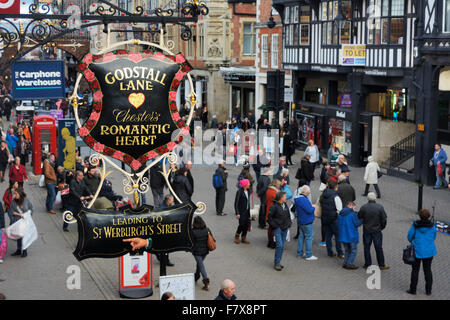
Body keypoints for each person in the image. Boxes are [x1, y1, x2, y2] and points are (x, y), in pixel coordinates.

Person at [406, 209, 437, 296]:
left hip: (417, 251)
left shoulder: (415, 225)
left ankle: (413, 290)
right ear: (428, 216)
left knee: (415, 270)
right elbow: (434, 236)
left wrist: (412, 241)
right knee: (427, 270)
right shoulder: (432, 226)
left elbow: (409, 236)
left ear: (420, 216)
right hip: (429, 251)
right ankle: (428, 291)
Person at [358, 192, 389, 270]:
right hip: (377, 231)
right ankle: (381, 264)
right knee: (378, 247)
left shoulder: (364, 207)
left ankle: (368, 264)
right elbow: (384, 220)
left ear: (368, 198)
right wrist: (381, 227)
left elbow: (359, 216)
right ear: (375, 198)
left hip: (367, 230)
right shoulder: (380, 207)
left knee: (366, 247)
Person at [319, 179, 344, 258]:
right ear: (335, 187)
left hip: (325, 217)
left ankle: (329, 252)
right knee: (337, 236)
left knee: (328, 236)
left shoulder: (323, 194)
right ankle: (339, 252)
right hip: (334, 219)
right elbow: (340, 209)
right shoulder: (336, 197)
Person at [268, 191, 291, 271]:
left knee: (281, 246)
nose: (286, 197)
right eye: (285, 196)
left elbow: (288, 215)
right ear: (281, 198)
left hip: (285, 228)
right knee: (279, 245)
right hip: (278, 229)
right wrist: (275, 226)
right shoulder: (274, 207)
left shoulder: (285, 205)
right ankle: (277, 262)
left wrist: (289, 224)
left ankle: (278, 261)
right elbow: (269, 218)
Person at [294, 185, 318, 261]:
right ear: (305, 192)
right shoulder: (303, 200)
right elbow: (309, 210)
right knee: (309, 238)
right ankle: (308, 254)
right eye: (308, 192)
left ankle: (299, 253)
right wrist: (313, 207)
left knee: (301, 237)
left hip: (300, 221)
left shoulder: (297, 199)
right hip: (307, 222)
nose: (309, 193)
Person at [337, 201, 363, 269]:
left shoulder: (341, 213)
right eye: (354, 207)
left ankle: (345, 263)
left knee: (347, 250)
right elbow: (356, 224)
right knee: (353, 250)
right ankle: (350, 263)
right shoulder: (351, 214)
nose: (354, 209)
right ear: (351, 205)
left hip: (343, 235)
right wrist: (362, 220)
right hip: (351, 235)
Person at [10, 188, 34, 258]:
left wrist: (27, 215)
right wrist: (19, 214)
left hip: (25, 221)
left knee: (24, 236)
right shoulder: (13, 202)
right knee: (18, 235)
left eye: (15, 193)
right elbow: (12, 211)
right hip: (17, 221)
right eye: (14, 193)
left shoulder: (26, 200)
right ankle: (18, 249)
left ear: (20, 194)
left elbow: (31, 208)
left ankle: (24, 250)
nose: (14, 195)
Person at [191, 216, 212, 291]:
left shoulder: (193, 231)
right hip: (205, 251)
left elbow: (191, 242)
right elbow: (211, 237)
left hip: (197, 252)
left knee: (201, 265)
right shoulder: (207, 230)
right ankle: (196, 276)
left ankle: (206, 281)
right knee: (199, 264)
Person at [234, 179, 251, 244]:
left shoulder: (248, 191)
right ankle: (237, 236)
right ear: (245, 185)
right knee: (241, 224)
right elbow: (236, 203)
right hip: (241, 211)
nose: (249, 184)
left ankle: (244, 237)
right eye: (248, 183)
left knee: (246, 225)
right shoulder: (239, 192)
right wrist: (237, 213)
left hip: (247, 211)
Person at [265, 178, 281, 249]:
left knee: (270, 228)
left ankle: (269, 242)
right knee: (273, 229)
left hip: (269, 210)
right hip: (273, 212)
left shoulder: (269, 190)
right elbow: (279, 200)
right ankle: (272, 242)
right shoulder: (274, 192)